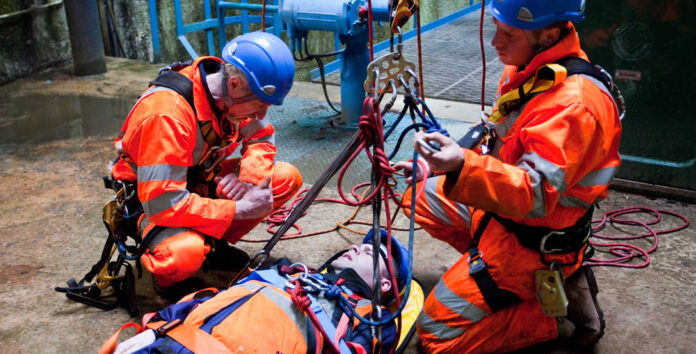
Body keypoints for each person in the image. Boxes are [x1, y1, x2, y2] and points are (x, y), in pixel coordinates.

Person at [394, 0, 621, 352]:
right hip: (504, 217)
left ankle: (544, 309)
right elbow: (501, 140)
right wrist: (438, 165)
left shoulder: (573, 105)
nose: (496, 42)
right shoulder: (531, 68)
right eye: (497, 29)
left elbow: (534, 194)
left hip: (535, 239)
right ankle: (495, 280)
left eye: (509, 34)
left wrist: (461, 167)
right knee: (417, 194)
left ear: (548, 34)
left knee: (435, 334)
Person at [110, 31, 302, 296]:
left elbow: (261, 136)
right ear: (233, 84)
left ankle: (213, 245)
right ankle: (169, 278)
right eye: (259, 105)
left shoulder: (228, 95)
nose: (261, 114)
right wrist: (237, 209)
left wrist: (246, 179)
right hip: (151, 202)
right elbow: (163, 203)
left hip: (198, 181)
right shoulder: (167, 116)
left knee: (284, 177)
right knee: (182, 254)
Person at [102, 231, 412, 354]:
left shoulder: (370, 319)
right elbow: (215, 301)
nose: (357, 247)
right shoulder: (289, 272)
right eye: (360, 244)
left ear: (384, 285)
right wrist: (159, 328)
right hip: (177, 341)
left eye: (370, 253)